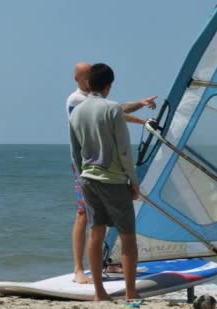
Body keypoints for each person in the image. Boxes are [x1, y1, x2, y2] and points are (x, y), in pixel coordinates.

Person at [66, 62, 155, 284]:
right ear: (78, 79)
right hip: (99, 173)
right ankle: (79, 269)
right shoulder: (76, 102)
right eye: (85, 76)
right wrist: (132, 180)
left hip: (87, 171)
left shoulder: (89, 106)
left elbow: (115, 109)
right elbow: (116, 115)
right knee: (89, 218)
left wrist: (140, 104)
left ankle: (101, 280)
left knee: (96, 226)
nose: (88, 79)